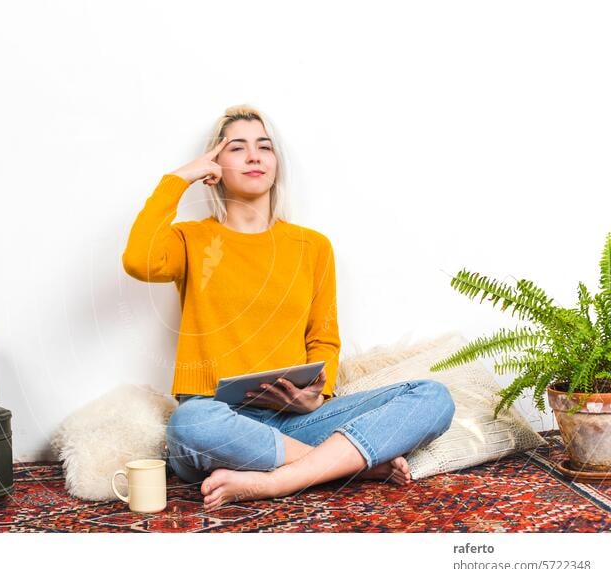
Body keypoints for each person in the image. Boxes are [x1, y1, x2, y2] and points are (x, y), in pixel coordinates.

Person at [121, 105, 455, 511]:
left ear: (277, 163)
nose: (254, 156)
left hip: (295, 419)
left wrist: (316, 395)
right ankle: (349, 464)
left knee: (432, 396)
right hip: (217, 419)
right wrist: (180, 178)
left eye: (265, 146)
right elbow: (139, 260)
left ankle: (278, 480)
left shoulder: (312, 246)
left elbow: (323, 338)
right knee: (188, 425)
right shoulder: (190, 239)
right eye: (236, 148)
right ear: (214, 164)